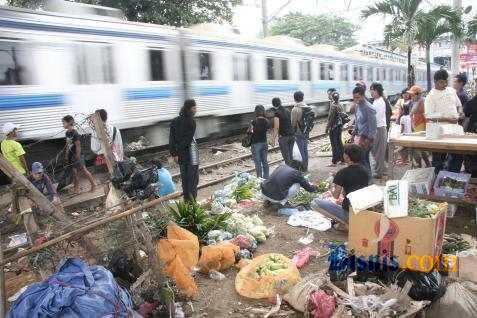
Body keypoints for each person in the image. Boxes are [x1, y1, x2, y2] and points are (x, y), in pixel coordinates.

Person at [314, 144, 370, 225]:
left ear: (347, 157)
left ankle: (345, 223)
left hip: (349, 213)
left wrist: (332, 185)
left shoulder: (343, 172)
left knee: (315, 202)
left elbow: (335, 196)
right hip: (362, 210)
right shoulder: (365, 171)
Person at [424, 69, 463, 173]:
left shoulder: (451, 91)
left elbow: (459, 105)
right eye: (442, 82)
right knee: (438, 161)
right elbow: (429, 116)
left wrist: (460, 113)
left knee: (457, 157)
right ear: (435, 82)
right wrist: (448, 119)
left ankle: (451, 179)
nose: (445, 84)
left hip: (455, 131)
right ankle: (437, 181)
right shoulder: (430, 96)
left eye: (446, 81)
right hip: (439, 133)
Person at [169, 99, 199, 201]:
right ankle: (192, 201)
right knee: (193, 179)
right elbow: (187, 141)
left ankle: (186, 201)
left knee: (185, 179)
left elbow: (171, 139)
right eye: (194, 108)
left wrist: (174, 153)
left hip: (180, 155)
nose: (196, 110)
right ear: (189, 109)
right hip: (192, 154)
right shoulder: (192, 122)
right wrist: (178, 150)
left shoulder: (174, 121)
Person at [62, 115, 96, 194]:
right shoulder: (67, 133)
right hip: (71, 155)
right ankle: (76, 188)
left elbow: (78, 145)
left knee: (84, 170)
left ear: (69, 123)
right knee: (74, 173)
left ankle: (93, 185)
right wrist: (66, 155)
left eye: (64, 123)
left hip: (78, 156)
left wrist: (77, 157)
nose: (62, 124)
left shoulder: (75, 133)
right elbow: (67, 144)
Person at [447, 73, 470, 172]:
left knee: (456, 154)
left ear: (461, 83)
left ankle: (453, 173)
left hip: (458, 128)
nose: (453, 83)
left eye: (455, 81)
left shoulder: (462, 96)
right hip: (455, 127)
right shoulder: (457, 94)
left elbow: (464, 115)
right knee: (453, 154)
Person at [352, 85, 377, 174]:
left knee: (364, 160)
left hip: (367, 138)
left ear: (363, 96)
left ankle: (369, 181)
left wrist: (367, 141)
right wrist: (354, 132)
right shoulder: (358, 106)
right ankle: (366, 180)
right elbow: (357, 121)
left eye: (357, 97)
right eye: (354, 97)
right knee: (363, 160)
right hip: (360, 137)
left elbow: (373, 128)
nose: (355, 99)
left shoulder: (369, 108)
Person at [408, 85, 430, 168]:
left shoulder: (421, 100)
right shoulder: (416, 101)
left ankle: (421, 167)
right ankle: (427, 165)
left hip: (422, 125)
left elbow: (412, 111)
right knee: (420, 149)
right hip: (417, 125)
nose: (411, 97)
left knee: (418, 148)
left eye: (413, 95)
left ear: (418, 94)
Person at [291, 91, 314, 171]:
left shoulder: (295, 109)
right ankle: (305, 166)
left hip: (298, 132)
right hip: (306, 131)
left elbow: (293, 123)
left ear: (294, 98)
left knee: (301, 151)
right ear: (303, 97)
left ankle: (303, 168)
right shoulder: (307, 107)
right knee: (305, 149)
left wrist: (292, 133)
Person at [369, 82, 388, 179]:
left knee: (379, 152)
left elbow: (376, 118)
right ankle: (380, 170)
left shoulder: (380, 102)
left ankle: (379, 172)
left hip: (379, 128)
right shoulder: (377, 101)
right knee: (376, 151)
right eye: (371, 90)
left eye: (372, 90)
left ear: (377, 91)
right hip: (378, 128)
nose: (371, 92)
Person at [271, 97, 294, 165]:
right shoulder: (287, 110)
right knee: (290, 156)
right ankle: (292, 172)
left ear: (273, 105)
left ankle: (289, 173)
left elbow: (276, 127)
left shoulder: (277, 113)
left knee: (286, 157)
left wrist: (273, 139)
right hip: (291, 136)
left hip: (284, 138)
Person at [250, 105, 271, 179]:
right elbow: (268, 131)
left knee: (258, 162)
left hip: (255, 144)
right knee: (265, 161)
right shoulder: (267, 121)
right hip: (264, 143)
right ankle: (267, 178)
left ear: (256, 112)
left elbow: (249, 132)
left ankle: (259, 178)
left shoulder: (253, 122)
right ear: (263, 111)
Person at [325, 91, 345, 166]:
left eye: (330, 95)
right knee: (339, 142)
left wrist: (327, 128)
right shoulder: (340, 104)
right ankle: (342, 160)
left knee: (334, 144)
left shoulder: (333, 106)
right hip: (339, 126)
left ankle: (334, 161)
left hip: (333, 127)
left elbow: (331, 119)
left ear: (332, 97)